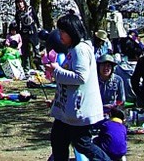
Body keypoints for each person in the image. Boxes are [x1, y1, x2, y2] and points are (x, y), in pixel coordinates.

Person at [48, 12, 112, 161]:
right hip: (67, 109)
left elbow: (80, 77)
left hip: (78, 108)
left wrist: (57, 70)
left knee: (82, 143)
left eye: (63, 31)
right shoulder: (73, 49)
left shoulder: (80, 50)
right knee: (58, 140)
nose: (60, 35)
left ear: (72, 31)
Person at [14, 0, 40, 70]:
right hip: (24, 33)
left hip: (33, 32)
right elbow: (18, 25)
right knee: (25, 52)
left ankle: (40, 67)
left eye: (21, 2)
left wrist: (38, 27)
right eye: (18, 3)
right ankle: (26, 69)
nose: (20, 4)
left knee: (36, 50)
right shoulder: (18, 14)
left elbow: (36, 18)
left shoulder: (30, 9)